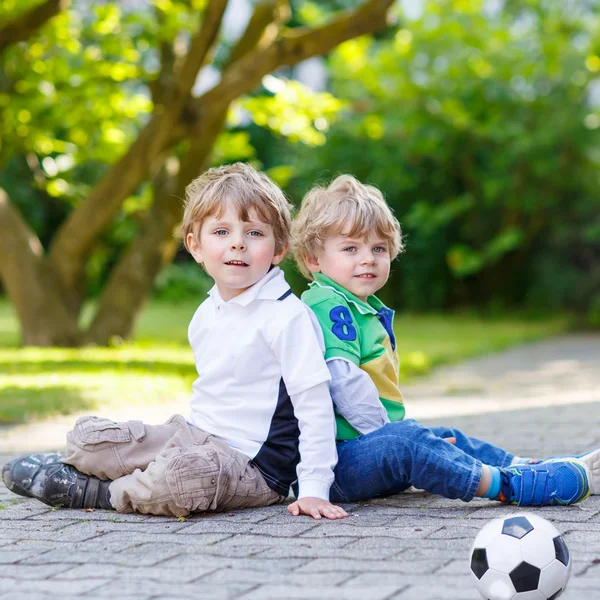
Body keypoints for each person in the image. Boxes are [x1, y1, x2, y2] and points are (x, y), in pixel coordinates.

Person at [2, 163, 348, 521]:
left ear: (279, 249)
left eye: (255, 233)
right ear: (195, 246)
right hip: (192, 435)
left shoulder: (287, 318)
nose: (237, 242)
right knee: (89, 440)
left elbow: (315, 409)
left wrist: (313, 489)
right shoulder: (207, 313)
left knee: (183, 477)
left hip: (251, 468)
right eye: (221, 230)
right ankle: (76, 464)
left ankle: (96, 490)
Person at [291, 174, 599, 507]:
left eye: (378, 248)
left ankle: (532, 467)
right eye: (351, 248)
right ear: (313, 259)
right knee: (411, 441)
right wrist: (388, 433)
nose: (368, 258)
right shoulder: (329, 304)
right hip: (335, 467)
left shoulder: (357, 306)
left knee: (444, 437)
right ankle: (506, 485)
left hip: (362, 450)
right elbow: (343, 383)